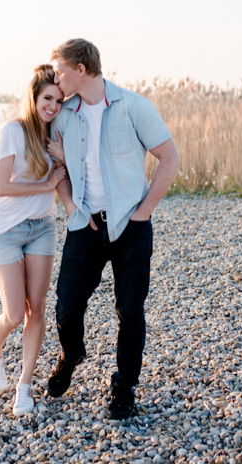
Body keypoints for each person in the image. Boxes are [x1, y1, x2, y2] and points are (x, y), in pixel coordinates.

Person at [46, 38, 180, 419]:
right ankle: (72, 355)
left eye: (60, 69)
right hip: (84, 226)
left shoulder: (134, 107)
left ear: (81, 70)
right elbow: (58, 170)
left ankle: (124, 387)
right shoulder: (62, 114)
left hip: (130, 227)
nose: (56, 77)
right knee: (66, 308)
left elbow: (170, 158)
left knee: (130, 310)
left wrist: (144, 212)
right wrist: (71, 206)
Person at [0, 64, 67, 416]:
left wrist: (64, 160)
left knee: (38, 308)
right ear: (33, 97)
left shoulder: (56, 136)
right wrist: (45, 186)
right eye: (48, 98)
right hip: (5, 230)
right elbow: (2, 186)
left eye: (59, 101)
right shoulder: (12, 132)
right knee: (15, 314)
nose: (53, 106)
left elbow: (70, 175)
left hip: (42, 228)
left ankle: (24, 386)